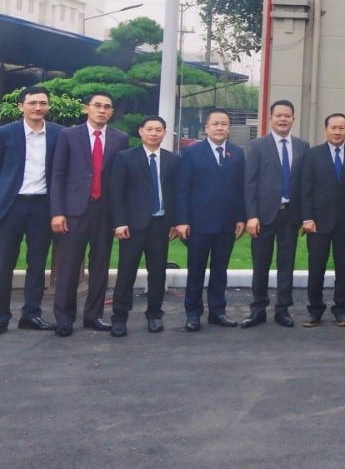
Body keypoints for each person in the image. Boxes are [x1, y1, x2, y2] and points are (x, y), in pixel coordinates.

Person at [50, 91, 129, 336]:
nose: (102, 110)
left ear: (111, 112)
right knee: (69, 266)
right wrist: (57, 212)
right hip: (74, 210)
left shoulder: (120, 138)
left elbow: (120, 179)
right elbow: (58, 174)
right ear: (87, 108)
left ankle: (93, 316)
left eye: (107, 107)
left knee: (100, 266)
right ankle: (64, 318)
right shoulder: (68, 135)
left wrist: (120, 217)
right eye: (97, 105)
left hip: (104, 211)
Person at [174, 108, 246, 332]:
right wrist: (182, 220)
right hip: (199, 223)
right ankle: (193, 314)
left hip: (227, 223)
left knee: (220, 270)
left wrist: (241, 217)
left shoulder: (237, 153)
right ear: (206, 128)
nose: (219, 128)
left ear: (229, 129)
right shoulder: (191, 153)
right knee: (196, 270)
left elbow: (240, 189)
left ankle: (218, 311)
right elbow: (183, 189)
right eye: (215, 124)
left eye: (224, 124)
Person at [108, 116, 178, 337]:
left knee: (157, 273)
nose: (154, 133)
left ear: (164, 133)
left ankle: (155, 315)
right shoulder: (125, 158)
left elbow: (176, 193)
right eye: (149, 129)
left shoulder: (173, 160)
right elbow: (116, 192)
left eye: (159, 129)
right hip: (132, 226)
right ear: (141, 131)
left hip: (161, 225)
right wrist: (119, 223)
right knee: (126, 273)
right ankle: (120, 317)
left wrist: (175, 221)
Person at [242, 99, 309, 328]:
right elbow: (250, 183)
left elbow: (305, 185)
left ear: (293, 119)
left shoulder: (302, 146)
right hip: (263, 216)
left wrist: (305, 216)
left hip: (290, 215)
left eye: (287, 116)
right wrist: (251, 215)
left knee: (286, 263)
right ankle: (258, 309)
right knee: (261, 263)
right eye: (278, 115)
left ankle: (283, 309)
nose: (282, 119)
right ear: (271, 118)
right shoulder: (258, 146)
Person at [0, 86, 62, 333]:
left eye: (43, 103)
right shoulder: (5, 133)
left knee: (37, 263)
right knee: (3, 262)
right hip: (11, 206)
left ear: (48, 106)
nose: (38, 107)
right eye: (33, 103)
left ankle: (31, 314)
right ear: (21, 106)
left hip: (43, 206)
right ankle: (2, 316)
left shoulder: (59, 133)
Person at [298, 113, 345, 328]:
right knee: (316, 268)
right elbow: (306, 188)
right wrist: (307, 218)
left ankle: (341, 309)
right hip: (317, 223)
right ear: (325, 129)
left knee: (344, 268)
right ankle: (315, 310)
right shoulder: (312, 154)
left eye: (341, 128)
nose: (337, 132)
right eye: (333, 128)